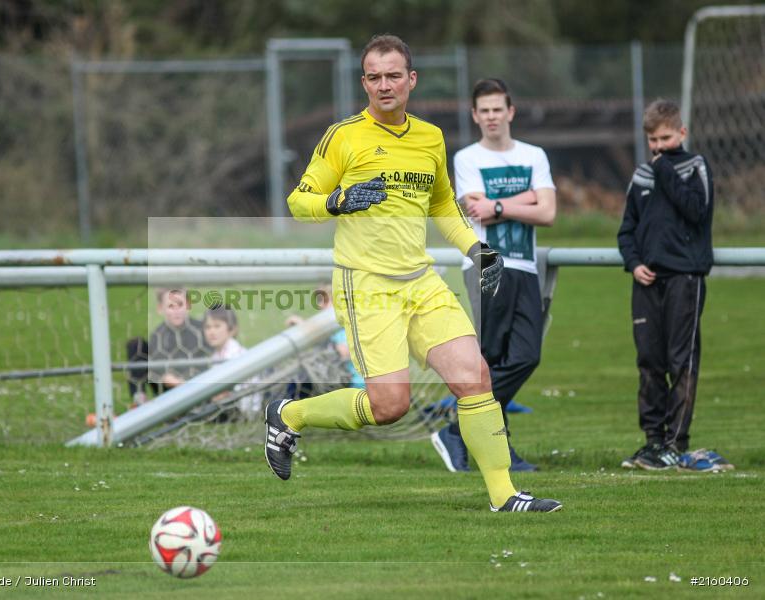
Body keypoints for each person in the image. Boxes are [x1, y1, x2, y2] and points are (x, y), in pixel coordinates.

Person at [264, 35, 561, 512]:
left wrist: (477, 250)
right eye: (375, 77)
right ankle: (289, 414)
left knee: (475, 375)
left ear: (411, 80)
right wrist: (335, 202)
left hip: (421, 282)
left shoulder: (430, 138)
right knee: (389, 406)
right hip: (366, 284)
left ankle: (506, 497)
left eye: (394, 75)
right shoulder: (344, 136)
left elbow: (443, 205)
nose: (385, 85)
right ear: (364, 82)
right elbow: (299, 201)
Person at [431, 78, 556, 473]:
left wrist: (498, 205)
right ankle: (498, 452)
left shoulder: (534, 154)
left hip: (525, 267)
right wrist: (525, 200)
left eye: (497, 109)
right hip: (487, 265)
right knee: (489, 360)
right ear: (475, 115)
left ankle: (456, 429)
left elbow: (549, 213)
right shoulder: (468, 159)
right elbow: (474, 210)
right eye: (483, 111)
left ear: (510, 112)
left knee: (526, 355)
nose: (491, 117)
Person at [617, 99, 714, 470]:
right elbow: (627, 230)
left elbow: (697, 211)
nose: (658, 147)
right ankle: (653, 442)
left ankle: (677, 441)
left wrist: (665, 171)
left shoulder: (695, 167)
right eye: (653, 140)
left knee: (682, 361)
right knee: (649, 363)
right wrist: (634, 263)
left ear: (682, 133)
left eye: (666, 138)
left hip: (684, 279)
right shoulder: (641, 175)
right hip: (647, 281)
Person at [125, 287, 208, 406]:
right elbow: (159, 370)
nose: (176, 310)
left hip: (197, 386)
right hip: (169, 388)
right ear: (160, 308)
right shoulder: (158, 335)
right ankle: (139, 400)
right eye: (171, 306)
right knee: (136, 345)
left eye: (180, 304)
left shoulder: (201, 330)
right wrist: (168, 378)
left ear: (188, 305)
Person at [203, 306, 262, 416]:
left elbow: (241, 390)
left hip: (243, 408)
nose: (211, 332)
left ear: (231, 329)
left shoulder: (237, 354)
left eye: (217, 326)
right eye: (208, 327)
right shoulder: (215, 356)